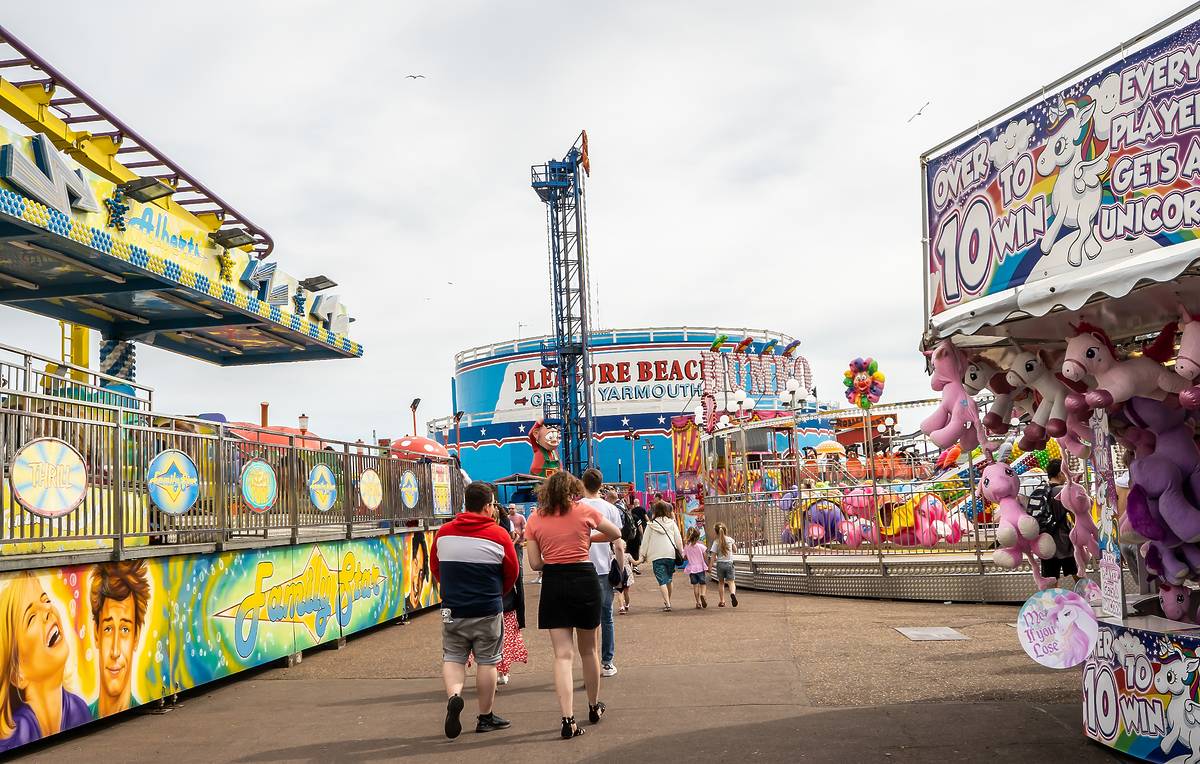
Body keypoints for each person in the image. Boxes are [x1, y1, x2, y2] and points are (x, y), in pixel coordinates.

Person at [525, 471, 622, 739]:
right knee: (589, 650)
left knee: (562, 655)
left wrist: (555, 558)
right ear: (573, 489)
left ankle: (567, 719)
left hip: (554, 582)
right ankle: (593, 706)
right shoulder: (583, 511)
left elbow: (535, 564)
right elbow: (615, 533)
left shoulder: (535, 518)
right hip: (584, 577)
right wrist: (588, 539)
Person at [429, 481, 519, 739]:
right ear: (488, 506)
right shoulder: (499, 534)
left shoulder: (443, 533)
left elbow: (436, 568)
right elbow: (511, 573)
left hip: (452, 608)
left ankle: (454, 696)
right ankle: (485, 716)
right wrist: (495, 593)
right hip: (487, 607)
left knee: (453, 656)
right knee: (488, 661)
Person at [0, 573, 90, 752]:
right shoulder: (19, 734)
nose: (47, 610)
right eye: (31, 617)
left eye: (46, 600)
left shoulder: (78, 709)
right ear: (17, 673)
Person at [89, 561, 151, 717]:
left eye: (125, 629)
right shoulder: (82, 715)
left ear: (136, 636)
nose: (115, 651)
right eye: (108, 629)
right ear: (97, 634)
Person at [580, 473, 625, 678]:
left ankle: (588, 662)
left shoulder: (576, 506)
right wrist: (621, 570)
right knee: (606, 616)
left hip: (579, 567)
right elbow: (618, 542)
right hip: (604, 566)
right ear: (601, 486)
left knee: (584, 619)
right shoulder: (611, 509)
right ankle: (607, 661)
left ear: (582, 484)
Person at [490, 496, 528, 686]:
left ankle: (490, 673)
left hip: (481, 599)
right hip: (504, 598)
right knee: (504, 637)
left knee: (486, 641)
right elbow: (514, 572)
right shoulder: (503, 536)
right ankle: (502, 672)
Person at [1037, 459, 1078, 587]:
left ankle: (1054, 604)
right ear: (1060, 473)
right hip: (1064, 540)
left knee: (1051, 579)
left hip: (1045, 541)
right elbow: (1075, 515)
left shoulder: (1041, 490)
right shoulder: (1063, 491)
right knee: (1077, 574)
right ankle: (1085, 600)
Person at [638, 500, 684, 611]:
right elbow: (678, 539)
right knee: (669, 579)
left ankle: (667, 603)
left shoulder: (651, 525)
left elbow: (645, 541)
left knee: (661, 581)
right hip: (670, 554)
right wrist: (681, 551)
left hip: (656, 555)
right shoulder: (672, 523)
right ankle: (668, 599)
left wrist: (642, 555)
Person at [709, 522, 739, 607]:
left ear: (716, 532)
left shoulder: (716, 542)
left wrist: (710, 567)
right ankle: (732, 593)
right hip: (729, 563)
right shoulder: (730, 540)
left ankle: (722, 601)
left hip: (720, 564)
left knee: (721, 583)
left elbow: (713, 556)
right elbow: (735, 550)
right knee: (731, 582)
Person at [682, 527, 709, 609]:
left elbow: (684, 557)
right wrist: (707, 565)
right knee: (703, 584)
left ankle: (698, 602)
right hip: (700, 568)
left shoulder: (687, 547)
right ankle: (703, 595)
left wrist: (688, 556)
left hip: (691, 569)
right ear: (698, 537)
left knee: (695, 586)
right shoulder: (701, 546)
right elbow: (705, 556)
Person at [628, 494, 648, 572]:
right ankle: (636, 566)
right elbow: (646, 518)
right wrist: (642, 535)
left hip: (630, 535)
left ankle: (629, 566)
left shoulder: (632, 513)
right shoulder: (642, 509)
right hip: (639, 531)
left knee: (629, 550)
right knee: (636, 549)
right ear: (639, 503)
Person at [508, 505, 527, 578]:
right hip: (510, 543)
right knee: (511, 562)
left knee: (519, 561)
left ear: (515, 509)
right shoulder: (507, 517)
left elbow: (525, 528)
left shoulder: (520, 517)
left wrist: (523, 540)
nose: (511, 510)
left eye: (512, 508)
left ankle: (520, 577)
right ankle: (514, 577)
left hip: (519, 543)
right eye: (509, 508)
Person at [614, 548, 634, 614]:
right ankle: (627, 605)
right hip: (627, 574)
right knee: (626, 592)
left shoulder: (613, 556)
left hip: (618, 573)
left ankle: (621, 607)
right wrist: (641, 559)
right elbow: (635, 562)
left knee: (620, 592)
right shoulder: (627, 555)